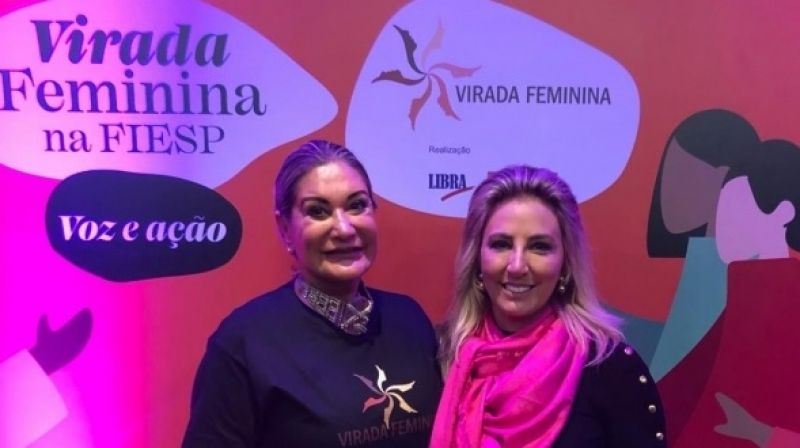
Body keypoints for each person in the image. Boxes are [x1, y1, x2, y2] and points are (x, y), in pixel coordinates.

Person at [182, 140, 442, 447]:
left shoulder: (410, 319)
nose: (344, 228)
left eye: (357, 205)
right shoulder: (244, 343)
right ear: (284, 228)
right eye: (318, 211)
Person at [431, 165, 666, 447]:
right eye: (501, 244)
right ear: (477, 259)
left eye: (539, 246)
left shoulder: (611, 370)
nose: (517, 266)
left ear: (565, 263)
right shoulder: (443, 357)